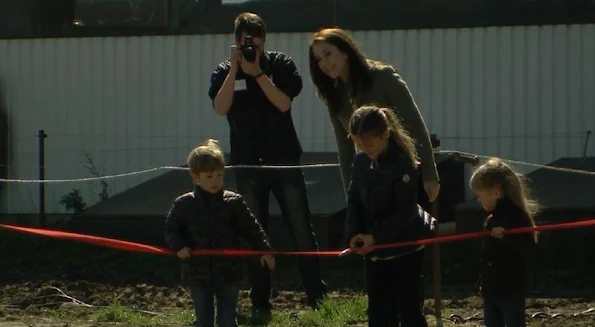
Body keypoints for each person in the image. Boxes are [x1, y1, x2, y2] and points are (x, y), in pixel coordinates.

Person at [207, 12, 328, 317]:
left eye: (257, 45)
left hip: (284, 161)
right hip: (248, 166)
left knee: (301, 228)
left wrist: (258, 72)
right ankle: (261, 303)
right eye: (247, 45)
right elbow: (220, 108)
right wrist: (236, 70)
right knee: (254, 234)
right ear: (236, 42)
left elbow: (284, 102)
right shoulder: (224, 72)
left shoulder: (280, 64)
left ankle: (318, 298)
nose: (252, 50)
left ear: (265, 42)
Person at [308, 27, 440, 207]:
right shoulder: (333, 95)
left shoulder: (382, 77)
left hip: (404, 171)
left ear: (345, 51)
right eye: (318, 60)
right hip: (372, 180)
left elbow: (415, 124)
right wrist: (351, 195)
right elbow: (345, 148)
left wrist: (430, 174)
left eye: (328, 53)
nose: (324, 63)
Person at [164, 139, 276, 327]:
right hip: (197, 273)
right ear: (195, 177)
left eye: (219, 175)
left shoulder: (234, 202)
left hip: (229, 272)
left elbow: (252, 229)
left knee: (227, 319)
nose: (215, 181)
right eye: (209, 177)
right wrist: (179, 246)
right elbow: (171, 228)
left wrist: (264, 250)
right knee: (204, 320)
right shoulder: (184, 204)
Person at [345, 105, 429, 327]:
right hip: (374, 250)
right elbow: (354, 198)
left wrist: (376, 237)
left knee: (408, 308)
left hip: (406, 247)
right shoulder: (360, 162)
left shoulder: (403, 163)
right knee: (378, 309)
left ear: (385, 134)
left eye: (370, 140)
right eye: (358, 142)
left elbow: (406, 212)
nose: (365, 147)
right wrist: (354, 233)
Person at [470, 158, 539, 327]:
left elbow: (526, 247)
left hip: (511, 289)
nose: (479, 200)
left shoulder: (517, 217)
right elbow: (488, 256)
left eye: (480, 195)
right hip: (491, 289)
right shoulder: (491, 220)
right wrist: (483, 281)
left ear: (496, 192)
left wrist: (506, 238)